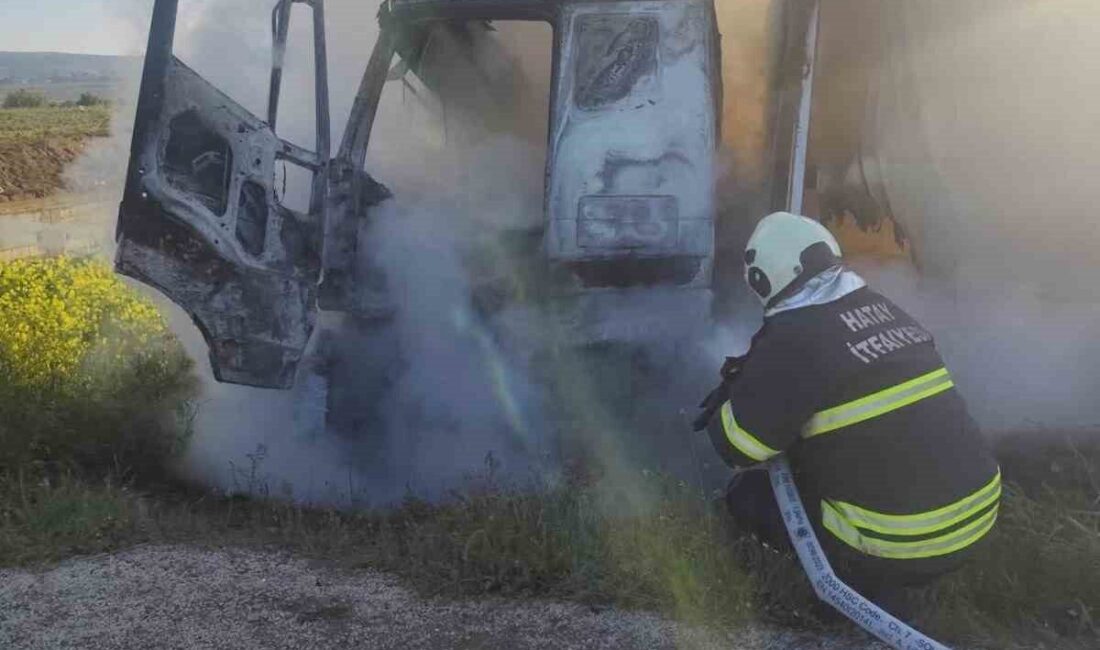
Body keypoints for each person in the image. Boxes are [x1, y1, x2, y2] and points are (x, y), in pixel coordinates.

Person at [695, 211, 1000, 607]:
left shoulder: (795, 338)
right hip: (979, 518)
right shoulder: (886, 310)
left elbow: (741, 447)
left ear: (761, 277)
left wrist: (732, 395)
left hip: (904, 545)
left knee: (749, 496)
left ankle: (798, 599)